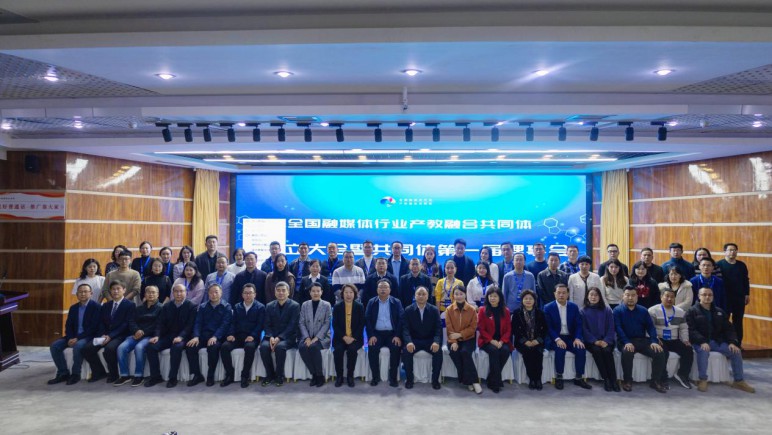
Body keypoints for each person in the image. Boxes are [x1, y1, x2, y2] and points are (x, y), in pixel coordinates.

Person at [686, 287, 754, 393]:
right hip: (699, 342)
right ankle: (702, 379)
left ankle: (739, 381)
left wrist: (732, 342)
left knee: (736, 352)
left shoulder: (719, 312)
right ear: (699, 296)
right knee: (704, 351)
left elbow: (729, 329)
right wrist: (702, 341)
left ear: (713, 297)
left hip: (716, 342)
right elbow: (690, 330)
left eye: (710, 295)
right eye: (704, 295)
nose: (707, 297)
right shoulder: (691, 311)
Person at [613, 287, 667, 393]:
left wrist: (654, 341)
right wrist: (626, 342)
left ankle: (655, 381)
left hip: (641, 340)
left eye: (633, 295)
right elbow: (618, 328)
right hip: (624, 341)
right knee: (627, 352)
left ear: (637, 297)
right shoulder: (617, 311)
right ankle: (627, 380)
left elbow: (650, 327)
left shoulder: (643, 310)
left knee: (659, 352)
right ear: (622, 296)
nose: (630, 298)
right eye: (627, 295)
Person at [82, 280, 136, 383]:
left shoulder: (130, 305)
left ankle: (113, 374)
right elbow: (101, 322)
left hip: (120, 335)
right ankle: (99, 372)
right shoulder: (106, 305)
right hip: (105, 335)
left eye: (118, 289)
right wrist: (102, 334)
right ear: (110, 291)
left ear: (124, 290)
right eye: (113, 289)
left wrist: (110, 336)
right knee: (87, 349)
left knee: (109, 349)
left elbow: (126, 324)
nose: (115, 291)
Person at [145, 284, 198, 388]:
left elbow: (190, 325)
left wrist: (181, 337)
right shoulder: (167, 306)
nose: (179, 293)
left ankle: (172, 378)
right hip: (169, 336)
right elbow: (160, 323)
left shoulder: (191, 306)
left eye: (181, 291)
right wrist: (157, 336)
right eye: (176, 291)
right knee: (151, 347)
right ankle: (156, 376)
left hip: (184, 337)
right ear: (173, 293)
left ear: (186, 293)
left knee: (176, 348)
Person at [48, 284, 101, 385]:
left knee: (78, 346)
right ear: (76, 294)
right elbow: (68, 325)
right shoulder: (73, 308)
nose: (83, 294)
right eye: (80, 292)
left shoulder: (96, 307)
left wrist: (77, 338)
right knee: (54, 346)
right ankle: (63, 373)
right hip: (73, 336)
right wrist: (70, 338)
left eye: (85, 291)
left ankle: (76, 374)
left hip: (88, 336)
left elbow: (93, 328)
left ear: (91, 293)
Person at [544, 284, 592, 390]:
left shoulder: (573, 307)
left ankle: (579, 378)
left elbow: (578, 324)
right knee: (560, 349)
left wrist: (577, 338)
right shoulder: (548, 307)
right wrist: (557, 339)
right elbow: (549, 327)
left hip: (570, 337)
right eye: (559, 293)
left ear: (568, 294)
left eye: (564, 293)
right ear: (554, 294)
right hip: (555, 337)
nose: (561, 295)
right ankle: (559, 377)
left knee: (581, 348)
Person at [185, 284, 232, 387]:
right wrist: (196, 336)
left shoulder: (226, 307)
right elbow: (198, 323)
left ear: (221, 293)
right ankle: (197, 375)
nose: (213, 294)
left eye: (216, 292)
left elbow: (225, 325)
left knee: (213, 347)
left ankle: (210, 376)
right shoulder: (203, 307)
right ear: (208, 294)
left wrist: (215, 337)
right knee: (190, 347)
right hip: (203, 335)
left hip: (217, 336)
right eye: (211, 292)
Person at [115, 285, 162, 386]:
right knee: (121, 348)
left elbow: (158, 324)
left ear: (158, 295)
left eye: (153, 292)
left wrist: (142, 332)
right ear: (145, 294)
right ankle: (124, 375)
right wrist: (136, 330)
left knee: (139, 347)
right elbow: (131, 321)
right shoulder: (139, 308)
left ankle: (139, 376)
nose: (151, 294)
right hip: (136, 334)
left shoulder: (161, 308)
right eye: (148, 292)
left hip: (150, 336)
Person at [220, 283, 265, 388]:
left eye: (250, 293)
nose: (248, 295)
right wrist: (231, 334)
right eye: (246, 293)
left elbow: (260, 324)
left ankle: (245, 376)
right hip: (237, 335)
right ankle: (230, 375)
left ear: (255, 294)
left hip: (252, 337)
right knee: (224, 347)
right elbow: (232, 323)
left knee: (249, 347)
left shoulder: (260, 307)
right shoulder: (237, 306)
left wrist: (253, 335)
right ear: (242, 294)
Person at [649, 288, 693, 390]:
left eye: (672, 297)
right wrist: (655, 339)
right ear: (661, 297)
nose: (669, 299)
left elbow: (683, 328)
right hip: (660, 339)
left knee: (688, 350)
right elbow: (650, 328)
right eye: (667, 296)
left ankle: (683, 375)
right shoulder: (652, 311)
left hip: (674, 339)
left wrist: (685, 340)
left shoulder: (680, 312)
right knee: (662, 353)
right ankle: (662, 378)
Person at [400, 286, 443, 390]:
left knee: (438, 352)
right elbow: (405, 329)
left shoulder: (434, 310)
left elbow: (438, 329)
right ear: (415, 296)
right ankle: (409, 379)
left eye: (424, 294)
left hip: (430, 340)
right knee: (406, 351)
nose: (421, 296)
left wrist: (436, 342)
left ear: (427, 296)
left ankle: (435, 380)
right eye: (419, 294)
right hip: (414, 340)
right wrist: (409, 342)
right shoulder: (408, 310)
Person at [259, 281, 300, 387]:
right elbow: (267, 324)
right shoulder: (269, 306)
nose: (281, 293)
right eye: (278, 290)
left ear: (288, 292)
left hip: (288, 337)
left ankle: (279, 375)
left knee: (280, 347)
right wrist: (271, 336)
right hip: (271, 336)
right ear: (275, 292)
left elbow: (292, 325)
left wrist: (279, 338)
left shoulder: (295, 306)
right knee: (263, 347)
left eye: (283, 290)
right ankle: (270, 375)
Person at [365, 279, 404, 387]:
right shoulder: (371, 302)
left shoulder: (396, 302)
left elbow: (401, 320)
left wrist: (397, 336)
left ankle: (393, 378)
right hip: (376, 333)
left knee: (396, 348)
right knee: (372, 348)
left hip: (392, 334)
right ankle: (375, 377)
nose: (383, 289)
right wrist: (371, 335)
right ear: (377, 289)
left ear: (390, 290)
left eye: (385, 287)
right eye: (380, 287)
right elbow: (367, 319)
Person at [581, 287, 619, 392]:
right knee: (597, 351)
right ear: (587, 296)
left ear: (600, 297)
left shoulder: (607, 310)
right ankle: (606, 379)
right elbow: (584, 330)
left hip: (607, 340)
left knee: (607, 351)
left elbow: (611, 328)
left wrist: (606, 341)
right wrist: (595, 341)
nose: (593, 297)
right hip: (591, 341)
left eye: (596, 295)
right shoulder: (583, 311)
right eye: (591, 295)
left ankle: (614, 380)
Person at [445, 285, 481, 394]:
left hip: (468, 338)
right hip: (453, 339)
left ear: (465, 294)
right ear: (453, 295)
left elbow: (473, 328)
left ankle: (474, 381)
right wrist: (454, 341)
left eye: (461, 294)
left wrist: (460, 334)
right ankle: (467, 381)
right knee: (454, 352)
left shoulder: (472, 309)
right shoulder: (449, 309)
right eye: (456, 294)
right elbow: (449, 328)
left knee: (465, 352)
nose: (459, 296)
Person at [477, 288, 511, 393]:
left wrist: (501, 341)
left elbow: (508, 329)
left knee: (505, 350)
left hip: (501, 340)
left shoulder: (506, 311)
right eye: (490, 296)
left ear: (500, 298)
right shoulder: (482, 310)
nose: (492, 298)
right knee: (494, 350)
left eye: (495, 296)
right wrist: (491, 341)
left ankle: (491, 378)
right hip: (486, 340)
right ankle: (496, 383)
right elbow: (481, 329)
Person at [299, 282, 332, 387]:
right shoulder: (305, 305)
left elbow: (327, 323)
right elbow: (301, 322)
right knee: (302, 347)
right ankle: (314, 374)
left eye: (318, 291)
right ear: (310, 292)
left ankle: (320, 375)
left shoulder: (326, 305)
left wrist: (317, 338)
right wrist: (307, 337)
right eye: (313, 291)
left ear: (321, 292)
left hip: (322, 337)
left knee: (313, 347)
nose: (316, 293)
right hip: (308, 335)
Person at [512, 289, 547, 391]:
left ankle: (538, 379)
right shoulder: (517, 313)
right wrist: (525, 341)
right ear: (522, 300)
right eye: (526, 298)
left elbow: (545, 329)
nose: (528, 300)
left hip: (537, 341)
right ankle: (532, 379)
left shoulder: (540, 313)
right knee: (528, 353)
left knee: (538, 353)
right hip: (522, 342)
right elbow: (515, 330)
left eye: (530, 299)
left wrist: (537, 340)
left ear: (534, 300)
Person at [716, 243, 751, 346]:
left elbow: (745, 280)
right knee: (723, 320)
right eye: (730, 250)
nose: (733, 252)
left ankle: (737, 343)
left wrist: (747, 294)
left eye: (735, 250)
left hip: (739, 297)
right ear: (725, 251)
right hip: (725, 298)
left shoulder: (741, 265)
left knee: (738, 321)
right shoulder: (719, 265)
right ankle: (724, 342)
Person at [332, 284, 365, 388]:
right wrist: (344, 337)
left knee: (352, 350)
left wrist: (352, 337)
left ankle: (350, 376)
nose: (348, 295)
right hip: (340, 338)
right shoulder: (337, 307)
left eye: (351, 292)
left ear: (355, 294)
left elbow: (361, 324)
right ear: (342, 294)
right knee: (338, 350)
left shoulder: (359, 306)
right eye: (346, 292)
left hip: (355, 338)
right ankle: (339, 376)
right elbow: (335, 325)